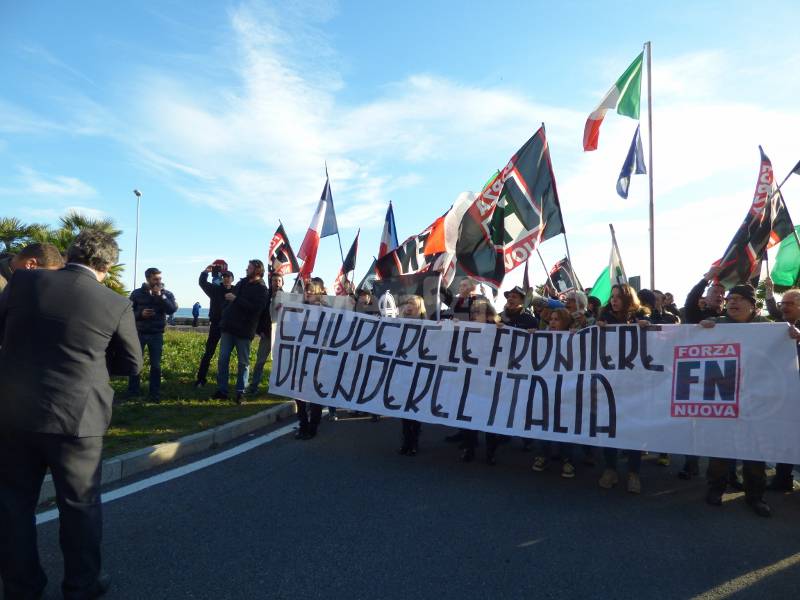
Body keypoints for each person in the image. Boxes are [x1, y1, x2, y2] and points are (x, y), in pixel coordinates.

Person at [0, 230, 142, 600]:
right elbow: (132, 363)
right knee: (79, 507)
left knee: (13, 503)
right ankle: (82, 585)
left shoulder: (24, 282)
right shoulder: (115, 303)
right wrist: (94, 363)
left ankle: (21, 587)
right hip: (78, 418)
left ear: (69, 252)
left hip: (14, 411)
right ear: (107, 265)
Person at [699, 284, 800, 517]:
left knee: (755, 452)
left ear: (752, 305)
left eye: (738, 299)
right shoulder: (718, 325)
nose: (732, 302)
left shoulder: (771, 328)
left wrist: (795, 338)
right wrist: (700, 329)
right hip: (724, 398)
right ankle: (716, 489)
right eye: (729, 298)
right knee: (720, 448)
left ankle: (756, 496)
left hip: (758, 402)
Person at [596, 284, 650, 494]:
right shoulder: (603, 319)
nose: (614, 300)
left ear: (628, 299)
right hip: (610, 382)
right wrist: (595, 328)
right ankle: (610, 469)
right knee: (610, 427)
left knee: (632, 428)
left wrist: (648, 327)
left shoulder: (641, 318)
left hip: (634, 385)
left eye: (619, 297)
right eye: (612, 297)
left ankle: (633, 473)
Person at [678, 267, 726, 480]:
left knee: (723, 427)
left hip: (723, 378)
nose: (720, 296)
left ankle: (725, 473)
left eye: (722, 295)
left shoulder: (730, 318)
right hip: (696, 378)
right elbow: (690, 299)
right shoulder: (694, 314)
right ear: (705, 298)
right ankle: (691, 464)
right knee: (694, 424)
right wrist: (706, 279)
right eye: (715, 293)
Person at [458, 296, 507, 465]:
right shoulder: (465, 330)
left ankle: (490, 452)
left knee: (490, 418)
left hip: (491, 382)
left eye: (477, 312)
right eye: (472, 313)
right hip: (471, 380)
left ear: (488, 315)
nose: (473, 316)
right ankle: (469, 448)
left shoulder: (501, 331)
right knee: (468, 416)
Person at [213, 260, 269, 404]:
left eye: (249, 267)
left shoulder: (262, 289)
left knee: (243, 363)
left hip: (244, 331)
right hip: (228, 327)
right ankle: (222, 390)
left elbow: (257, 309)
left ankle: (240, 392)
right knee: (223, 360)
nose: (246, 269)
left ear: (257, 270)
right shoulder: (242, 283)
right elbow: (230, 299)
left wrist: (236, 299)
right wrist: (226, 311)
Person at [531, 307, 577, 478]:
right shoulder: (541, 336)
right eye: (551, 319)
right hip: (546, 387)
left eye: (557, 319)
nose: (552, 322)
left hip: (567, 389)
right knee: (544, 421)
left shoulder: (574, 338)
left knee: (565, 423)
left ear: (565, 322)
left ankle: (568, 459)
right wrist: (531, 335)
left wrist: (576, 337)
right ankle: (543, 455)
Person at [765, 286, 800, 492]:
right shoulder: (780, 325)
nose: (784, 307)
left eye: (789, 304)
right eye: (782, 303)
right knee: (785, 435)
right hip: (785, 394)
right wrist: (770, 296)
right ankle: (782, 477)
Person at [128, 268, 178, 402]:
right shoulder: (136, 294)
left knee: (155, 365)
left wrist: (160, 296)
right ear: (148, 279)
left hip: (156, 334)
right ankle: (133, 391)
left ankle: (154, 393)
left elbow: (172, 309)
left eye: (160, 279)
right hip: (139, 332)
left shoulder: (166, 293)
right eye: (156, 279)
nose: (159, 281)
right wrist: (140, 314)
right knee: (136, 362)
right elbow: (127, 313)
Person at [294, 278, 327, 439]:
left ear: (318, 293)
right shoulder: (299, 309)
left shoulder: (326, 311)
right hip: (300, 355)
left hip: (318, 358)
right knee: (298, 392)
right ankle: (302, 424)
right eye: (306, 290)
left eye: (310, 291)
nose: (307, 293)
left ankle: (313, 426)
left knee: (314, 393)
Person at [195, 268, 235, 389]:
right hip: (216, 325)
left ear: (232, 279)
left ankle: (227, 382)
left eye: (228, 276)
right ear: (222, 279)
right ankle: (201, 380)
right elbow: (202, 282)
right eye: (224, 277)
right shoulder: (215, 290)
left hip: (230, 326)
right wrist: (205, 271)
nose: (226, 278)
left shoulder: (237, 291)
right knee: (208, 353)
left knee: (228, 355)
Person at [397, 295, 426, 456]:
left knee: (415, 408)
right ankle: (406, 440)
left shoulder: (428, 324)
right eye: (407, 303)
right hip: (403, 371)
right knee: (404, 409)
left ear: (419, 307)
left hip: (419, 372)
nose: (409, 306)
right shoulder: (399, 322)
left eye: (412, 304)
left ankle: (414, 441)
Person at [247, 272, 283, 395]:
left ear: (282, 282)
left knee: (280, 363)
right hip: (267, 335)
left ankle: (278, 388)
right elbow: (258, 314)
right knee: (260, 362)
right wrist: (259, 330)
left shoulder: (287, 298)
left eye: (279, 281)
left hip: (282, 336)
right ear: (270, 282)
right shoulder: (265, 295)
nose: (276, 283)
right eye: (274, 281)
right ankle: (254, 386)